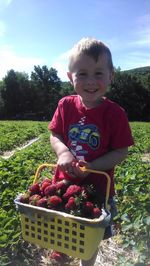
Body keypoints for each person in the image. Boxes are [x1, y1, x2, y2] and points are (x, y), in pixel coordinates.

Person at [48, 37, 134, 266]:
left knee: (90, 238)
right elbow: (54, 135)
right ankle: (61, 255)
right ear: (70, 77)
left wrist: (93, 166)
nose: (90, 81)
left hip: (98, 189)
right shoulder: (65, 105)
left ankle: (87, 262)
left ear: (111, 76)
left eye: (99, 73)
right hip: (64, 184)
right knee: (60, 225)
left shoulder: (115, 114)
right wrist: (63, 153)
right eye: (82, 74)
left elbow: (121, 151)